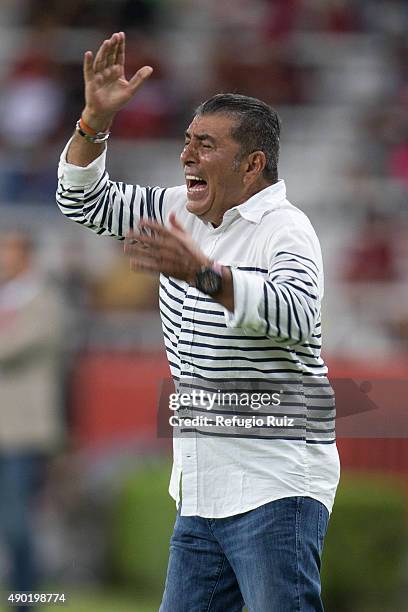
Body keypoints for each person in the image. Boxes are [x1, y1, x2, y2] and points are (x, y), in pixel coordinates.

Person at [57, 32, 340, 612]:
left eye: (206, 145)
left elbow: (295, 313)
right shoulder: (174, 208)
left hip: (275, 483)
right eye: (187, 141)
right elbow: (81, 202)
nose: (186, 155)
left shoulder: (285, 228)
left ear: (252, 163)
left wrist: (204, 273)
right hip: (201, 486)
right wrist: (93, 121)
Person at [0, 231, 65, 611]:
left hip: (25, 433)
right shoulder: (8, 298)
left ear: (25, 255)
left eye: (7, 249)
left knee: (20, 525)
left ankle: (28, 602)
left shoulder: (44, 301)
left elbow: (9, 348)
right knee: (12, 527)